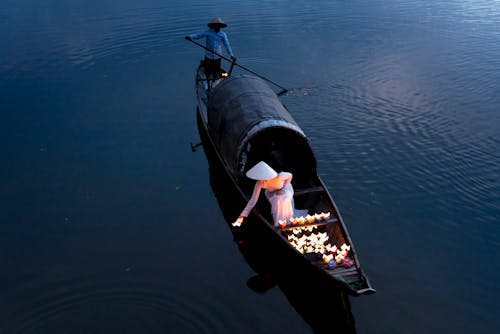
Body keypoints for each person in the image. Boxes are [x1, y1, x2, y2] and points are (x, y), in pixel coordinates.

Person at [233, 161, 303, 227]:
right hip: (271, 193)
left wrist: (283, 189)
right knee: (277, 199)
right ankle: (279, 222)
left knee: (284, 198)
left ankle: (288, 220)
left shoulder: (280, 176)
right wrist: (243, 215)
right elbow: (253, 199)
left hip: (285, 189)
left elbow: (290, 176)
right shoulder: (259, 183)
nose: (262, 180)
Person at [185, 17, 236, 88]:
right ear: (213, 26)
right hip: (208, 56)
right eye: (216, 25)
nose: (217, 27)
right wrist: (190, 36)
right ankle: (208, 85)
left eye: (218, 26)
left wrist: (231, 55)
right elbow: (198, 35)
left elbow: (227, 45)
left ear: (220, 26)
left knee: (216, 72)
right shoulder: (208, 32)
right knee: (208, 72)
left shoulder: (223, 34)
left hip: (218, 56)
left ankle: (214, 83)